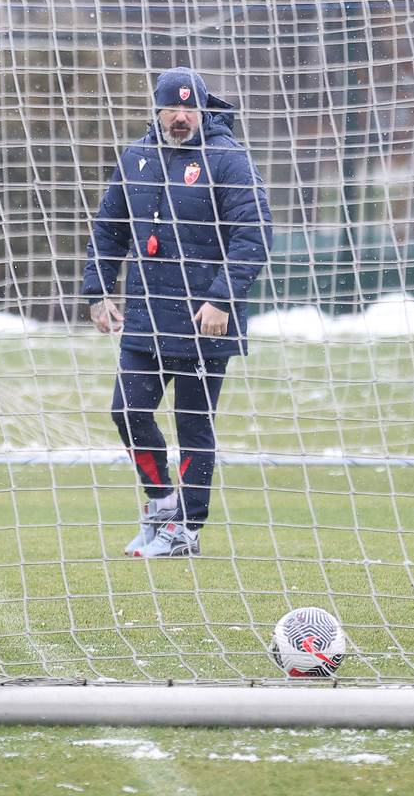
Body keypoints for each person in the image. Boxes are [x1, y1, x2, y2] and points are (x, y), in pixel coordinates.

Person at [81, 67, 272, 557]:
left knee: (193, 426)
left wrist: (222, 299)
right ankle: (163, 505)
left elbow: (254, 234)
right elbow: (109, 229)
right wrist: (98, 291)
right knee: (127, 411)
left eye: (190, 107)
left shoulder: (227, 158)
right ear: (158, 109)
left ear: (202, 109)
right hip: (147, 316)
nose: (181, 116)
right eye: (172, 106)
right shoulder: (136, 157)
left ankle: (186, 530)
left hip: (205, 321)